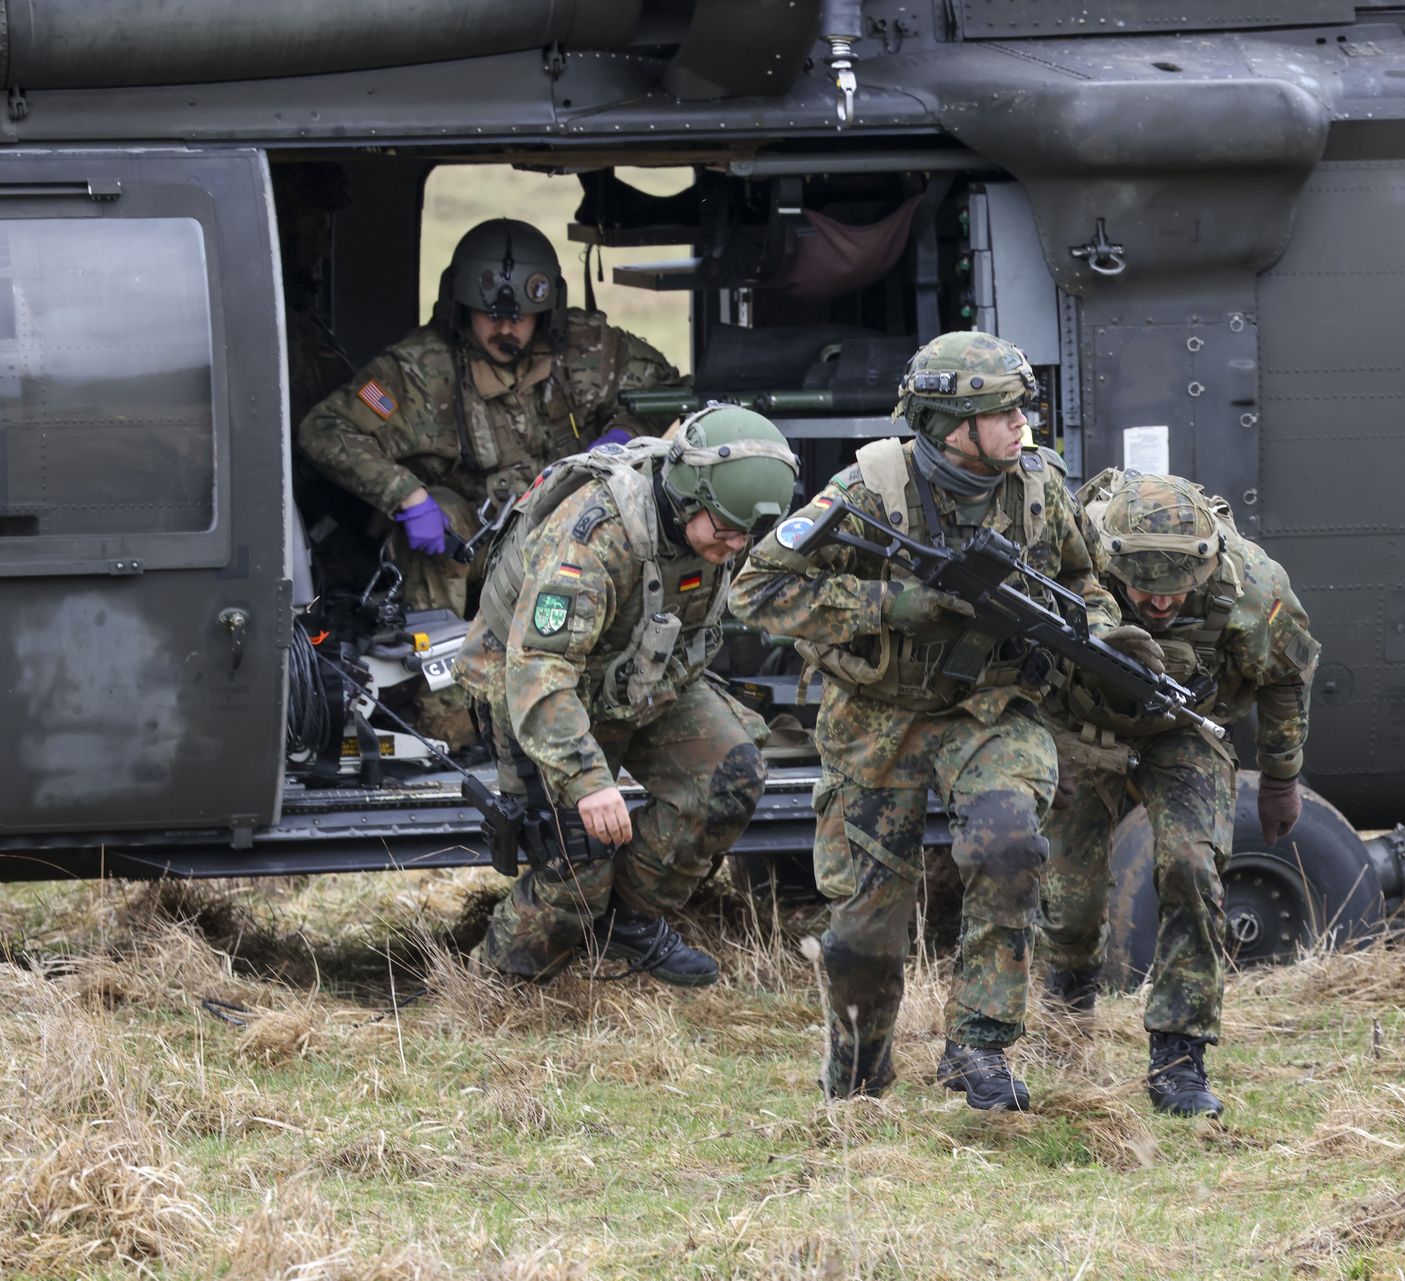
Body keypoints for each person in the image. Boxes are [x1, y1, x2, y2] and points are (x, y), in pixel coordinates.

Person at [728, 331, 1164, 1111]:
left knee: (1010, 842)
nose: (1021, 422)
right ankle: (859, 1072)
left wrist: (1101, 630)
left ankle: (979, 1047)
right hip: (877, 717)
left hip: (992, 708)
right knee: (863, 932)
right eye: (1003, 410)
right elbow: (756, 590)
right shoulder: (870, 491)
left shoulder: (1036, 487)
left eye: (1024, 407)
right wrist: (891, 603)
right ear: (949, 422)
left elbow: (1081, 578)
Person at [297, 219, 680, 743]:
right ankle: (448, 722)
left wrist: (621, 435)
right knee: (440, 518)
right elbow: (325, 428)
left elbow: (673, 395)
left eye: (523, 317)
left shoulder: (593, 352)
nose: (508, 330)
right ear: (460, 310)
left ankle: (605, 718)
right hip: (469, 545)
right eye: (491, 317)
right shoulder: (418, 371)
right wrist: (404, 496)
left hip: (573, 533)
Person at [454, 405, 799, 986]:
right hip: (532, 686)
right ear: (688, 498)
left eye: (748, 532)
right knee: (578, 860)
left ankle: (631, 924)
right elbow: (538, 666)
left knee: (730, 776)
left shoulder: (719, 521)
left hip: (638, 673)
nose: (737, 544)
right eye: (726, 529)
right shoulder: (596, 539)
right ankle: (496, 990)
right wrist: (590, 782)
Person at [1038, 470, 1318, 1119]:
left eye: (1174, 592)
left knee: (1192, 864)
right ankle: (1067, 1009)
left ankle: (1178, 1056)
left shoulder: (1252, 584)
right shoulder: (1063, 559)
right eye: (1143, 591)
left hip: (1183, 729)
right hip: (1080, 726)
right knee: (1071, 895)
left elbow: (1287, 673)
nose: (1159, 606)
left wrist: (1281, 777)